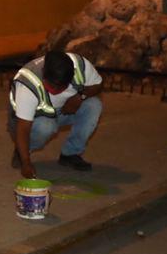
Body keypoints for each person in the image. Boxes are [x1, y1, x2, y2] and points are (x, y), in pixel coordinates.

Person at [9, 50, 104, 178]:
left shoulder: (80, 67)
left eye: (61, 87)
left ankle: (70, 154)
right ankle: (22, 152)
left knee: (94, 105)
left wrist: (80, 96)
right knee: (46, 127)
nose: (56, 91)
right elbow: (23, 127)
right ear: (44, 73)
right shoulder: (27, 85)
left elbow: (98, 84)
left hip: (64, 109)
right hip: (35, 119)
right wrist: (26, 163)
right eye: (52, 86)